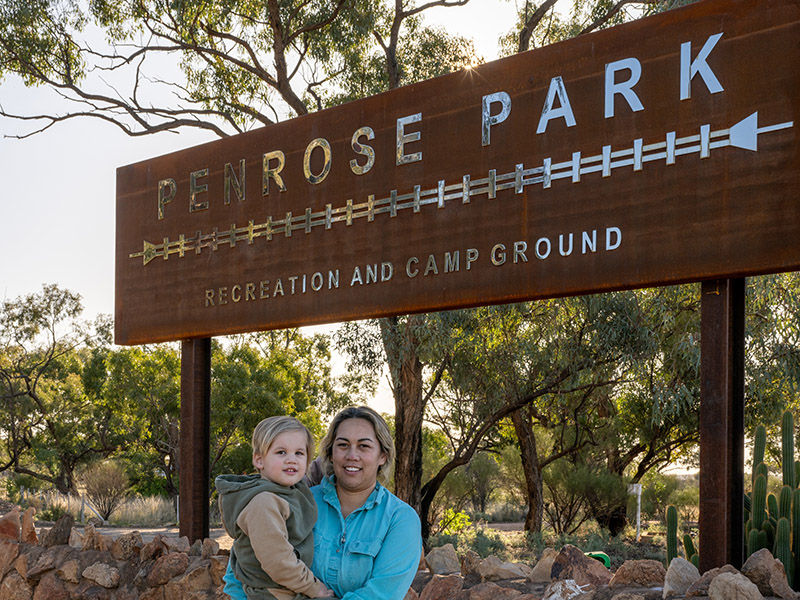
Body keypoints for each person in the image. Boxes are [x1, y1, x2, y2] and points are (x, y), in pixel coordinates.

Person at [223, 406, 423, 600]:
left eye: (364, 446)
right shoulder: (296, 501)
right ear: (330, 452)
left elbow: (381, 594)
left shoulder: (400, 519)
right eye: (343, 445)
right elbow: (240, 568)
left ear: (382, 456)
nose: (352, 455)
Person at [216, 416, 334, 600]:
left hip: (287, 587)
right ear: (259, 460)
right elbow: (278, 561)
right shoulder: (263, 503)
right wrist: (314, 588)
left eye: (299, 453)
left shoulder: (288, 492)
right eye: (281, 452)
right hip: (272, 592)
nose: (291, 460)